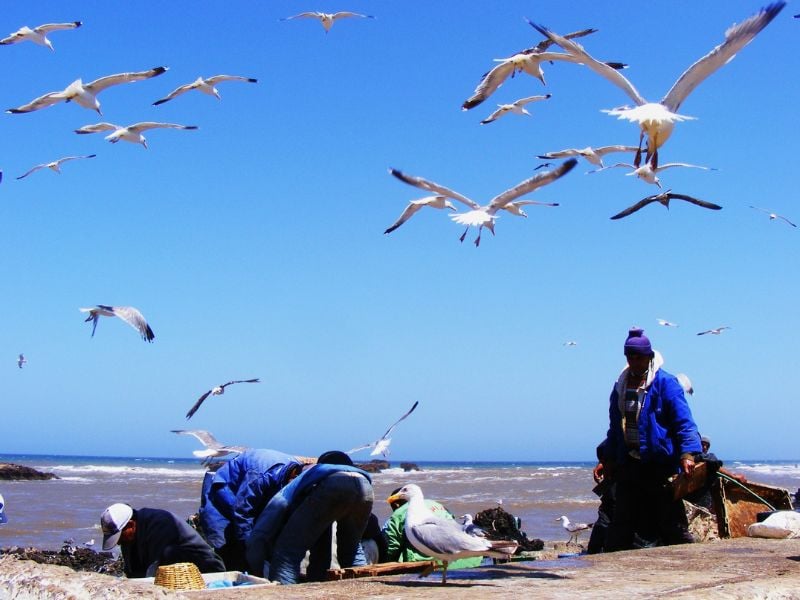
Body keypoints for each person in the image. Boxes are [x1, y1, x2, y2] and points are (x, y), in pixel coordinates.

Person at [602, 328, 702, 551]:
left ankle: (690, 562)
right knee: (621, 524)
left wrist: (688, 454)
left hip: (660, 465)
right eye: (630, 357)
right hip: (630, 463)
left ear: (649, 356)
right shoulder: (620, 386)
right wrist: (608, 457)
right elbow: (615, 428)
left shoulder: (666, 384)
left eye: (639, 357)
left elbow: (684, 422)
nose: (634, 361)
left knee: (671, 524)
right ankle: (612, 569)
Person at [246, 450, 374, 584]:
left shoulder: (311, 475)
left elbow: (275, 507)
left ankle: (284, 594)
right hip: (366, 488)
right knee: (351, 550)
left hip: (333, 485)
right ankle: (364, 590)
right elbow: (321, 544)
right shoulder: (355, 472)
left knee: (287, 553)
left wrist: (255, 560)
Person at [198, 449, 302, 571]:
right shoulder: (259, 477)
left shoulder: (296, 470)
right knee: (224, 544)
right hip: (221, 489)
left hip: (246, 491)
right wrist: (248, 544)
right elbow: (242, 512)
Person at [101, 503, 225, 578]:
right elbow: (132, 570)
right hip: (170, 569)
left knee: (169, 552)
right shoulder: (129, 536)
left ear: (131, 525)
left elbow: (155, 566)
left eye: (119, 537)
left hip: (206, 568)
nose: (118, 542)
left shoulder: (160, 523)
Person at [381, 486, 482, 568]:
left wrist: (386, 565)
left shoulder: (400, 514)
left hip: (436, 564)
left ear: (397, 505)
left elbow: (392, 547)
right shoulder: (437, 505)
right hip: (471, 561)